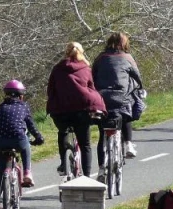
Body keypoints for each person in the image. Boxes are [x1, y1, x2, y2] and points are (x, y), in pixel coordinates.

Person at [0, 80, 45, 209]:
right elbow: (30, 125)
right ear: (21, 95)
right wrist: (39, 138)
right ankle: (27, 173)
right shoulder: (24, 107)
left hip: (0, 142)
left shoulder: (0, 108)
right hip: (18, 140)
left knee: (0, 172)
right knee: (26, 147)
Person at [47, 42, 107, 178]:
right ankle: (86, 176)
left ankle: (63, 163)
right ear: (81, 52)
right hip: (82, 110)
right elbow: (92, 87)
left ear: (66, 52)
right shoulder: (85, 69)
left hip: (61, 111)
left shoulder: (57, 69)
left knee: (63, 132)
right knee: (85, 145)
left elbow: (51, 90)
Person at [92, 32, 145, 161]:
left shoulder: (100, 58)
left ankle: (101, 170)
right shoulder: (127, 57)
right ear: (125, 44)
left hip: (102, 98)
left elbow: (92, 76)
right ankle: (128, 144)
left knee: (102, 133)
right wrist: (140, 88)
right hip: (121, 97)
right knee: (127, 113)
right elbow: (137, 77)